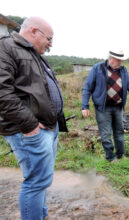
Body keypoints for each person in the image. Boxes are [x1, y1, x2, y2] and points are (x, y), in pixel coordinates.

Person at [0, 17, 68, 220]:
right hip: (29, 130)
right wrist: (29, 125)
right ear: (34, 31)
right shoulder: (6, 47)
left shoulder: (35, 54)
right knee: (36, 182)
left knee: (42, 180)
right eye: (49, 38)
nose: (51, 44)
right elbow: (2, 92)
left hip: (48, 127)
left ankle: (42, 215)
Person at [81, 50, 129, 162]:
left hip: (118, 107)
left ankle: (120, 155)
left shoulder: (123, 70)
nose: (120, 62)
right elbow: (87, 87)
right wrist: (85, 106)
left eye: (121, 60)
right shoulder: (98, 68)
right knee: (106, 134)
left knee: (119, 133)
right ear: (111, 59)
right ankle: (111, 158)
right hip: (103, 108)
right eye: (118, 60)